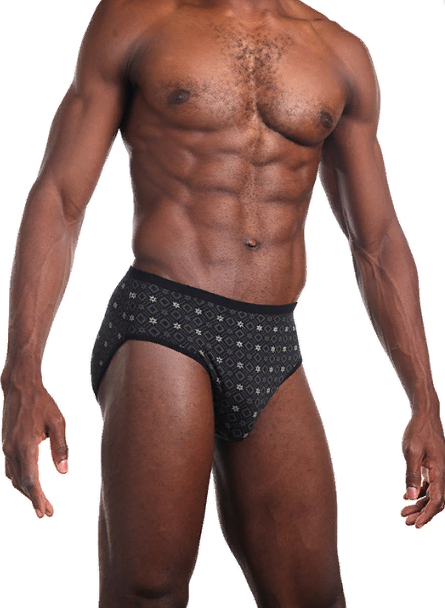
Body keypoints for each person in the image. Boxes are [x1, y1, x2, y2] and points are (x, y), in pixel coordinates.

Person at [2, 0, 444, 606]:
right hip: (165, 314)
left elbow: (378, 240)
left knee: (315, 597)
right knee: (149, 591)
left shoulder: (341, 53)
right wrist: (21, 373)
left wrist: (425, 400)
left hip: (271, 338)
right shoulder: (138, 19)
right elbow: (60, 196)